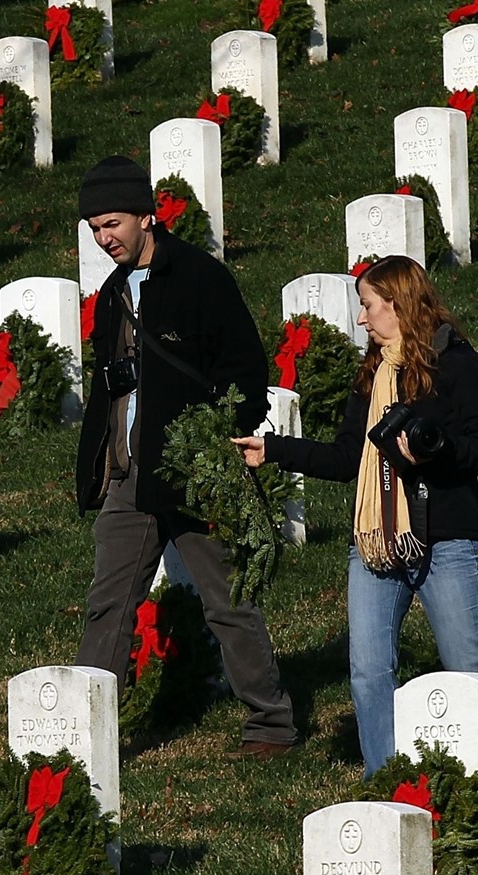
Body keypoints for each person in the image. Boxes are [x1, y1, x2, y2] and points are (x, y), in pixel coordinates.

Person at [232, 255, 478, 781]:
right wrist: (274, 449)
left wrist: (435, 453)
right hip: (376, 541)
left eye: (368, 306)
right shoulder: (370, 375)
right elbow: (350, 458)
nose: (361, 319)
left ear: (398, 304)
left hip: (447, 540)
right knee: (370, 671)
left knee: (471, 666)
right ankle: (387, 780)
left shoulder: (460, 366)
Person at [73, 155, 296, 757]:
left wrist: (219, 443)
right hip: (130, 473)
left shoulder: (202, 278)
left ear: (148, 215)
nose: (104, 238)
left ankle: (270, 724)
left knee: (227, 603)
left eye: (113, 223)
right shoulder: (112, 295)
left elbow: (246, 371)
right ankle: (87, 740)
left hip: (196, 473)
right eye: (95, 228)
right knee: (108, 607)